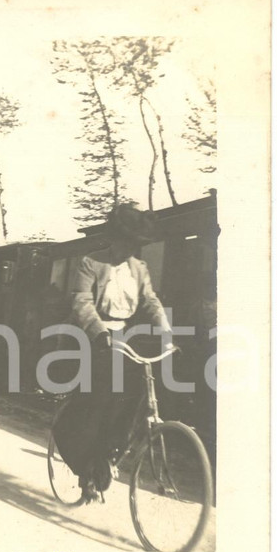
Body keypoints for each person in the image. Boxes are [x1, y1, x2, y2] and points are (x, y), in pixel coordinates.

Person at [52, 203, 172, 503]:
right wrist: (100, 333)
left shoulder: (138, 268)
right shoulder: (91, 263)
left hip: (124, 335)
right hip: (91, 336)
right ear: (115, 238)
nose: (130, 249)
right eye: (127, 242)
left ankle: (112, 451)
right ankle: (86, 466)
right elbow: (81, 302)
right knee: (101, 399)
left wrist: (166, 331)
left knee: (136, 393)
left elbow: (150, 301)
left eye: (136, 244)